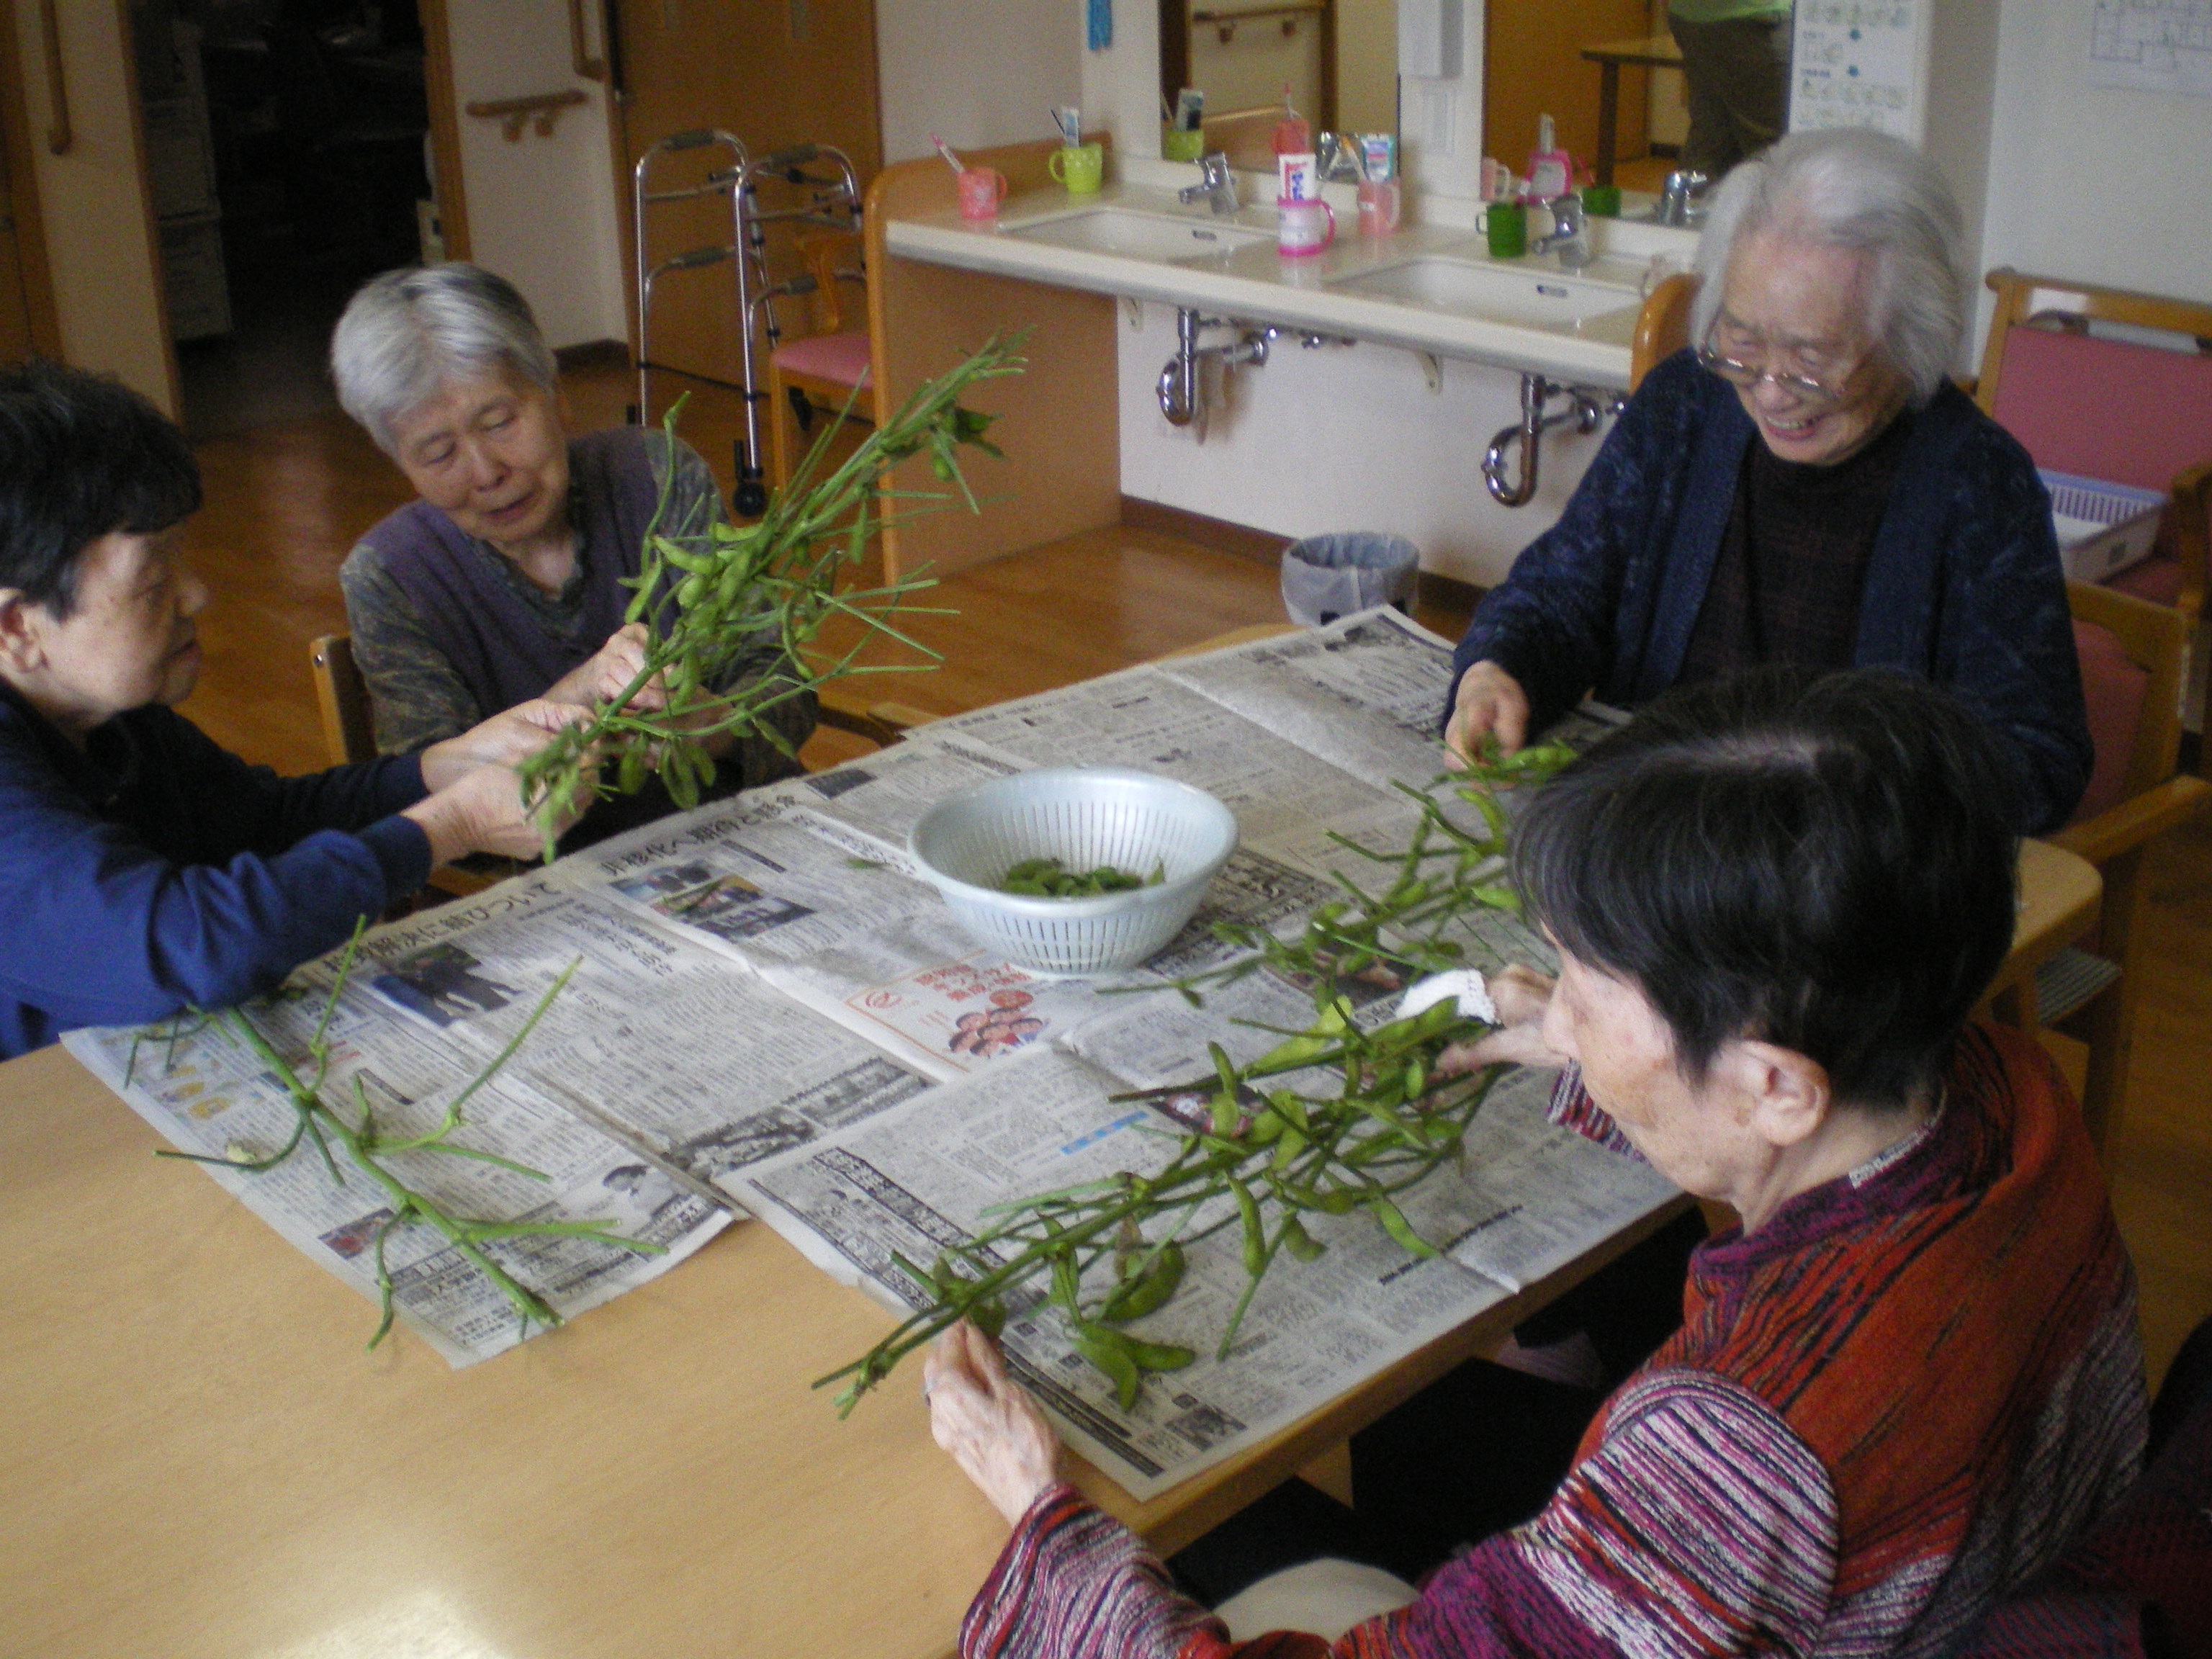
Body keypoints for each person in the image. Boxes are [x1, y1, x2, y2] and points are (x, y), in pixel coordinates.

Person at [923, 667, 2145, 1657]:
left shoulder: (1731, 1458)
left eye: (1583, 983)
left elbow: (1726, 1493)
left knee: (1201, 1515)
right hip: (1949, 1560)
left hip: (1806, 1566)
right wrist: (1561, 1044)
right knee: (1425, 1415)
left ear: (1774, 1082)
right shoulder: (2003, 1087)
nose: (1555, 1008)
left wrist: (1048, 1524)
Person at [1445, 127, 2092, 836]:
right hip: (1650, 838)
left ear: (1912, 340)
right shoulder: (1684, 408)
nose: (1773, 391)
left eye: (1813, 357)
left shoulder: (1978, 484)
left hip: (1831, 872)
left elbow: (2036, 761)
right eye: (1744, 343)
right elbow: (1561, 600)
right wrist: (1496, 670)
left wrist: (1837, 788)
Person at [0, 361, 582, 1061]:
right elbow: (185, 946)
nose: (195, 594)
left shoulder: (112, 719)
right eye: (154, 581)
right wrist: (450, 827)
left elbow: (261, 821)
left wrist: (437, 773)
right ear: (17, 630)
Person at [330, 263, 813, 844]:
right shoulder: (391, 576)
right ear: (401, 464)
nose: (487, 474)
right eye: (437, 454)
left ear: (556, 397)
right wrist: (574, 697)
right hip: (562, 882)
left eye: (500, 421)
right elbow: (437, 804)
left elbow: (784, 684)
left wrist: (722, 724)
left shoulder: (655, 474)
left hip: (750, 830)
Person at [1666, 0, 1793, 178]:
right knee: (1771, 150)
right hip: (1752, 17)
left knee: (1711, 137)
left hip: (1690, 15)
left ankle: (1693, 200)